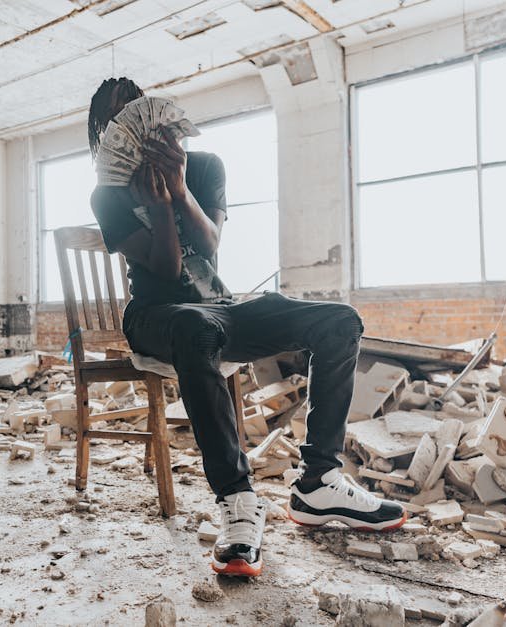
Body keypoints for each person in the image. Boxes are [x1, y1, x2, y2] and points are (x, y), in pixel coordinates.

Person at [87, 77, 406, 578]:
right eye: (113, 120)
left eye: (135, 111)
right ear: (104, 134)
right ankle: (237, 501)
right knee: (193, 326)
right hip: (155, 316)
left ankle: (318, 482)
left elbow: (209, 246)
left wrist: (180, 189)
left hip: (220, 306)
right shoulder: (107, 195)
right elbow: (168, 273)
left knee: (340, 321)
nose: (126, 124)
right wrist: (160, 205)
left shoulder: (206, 166)